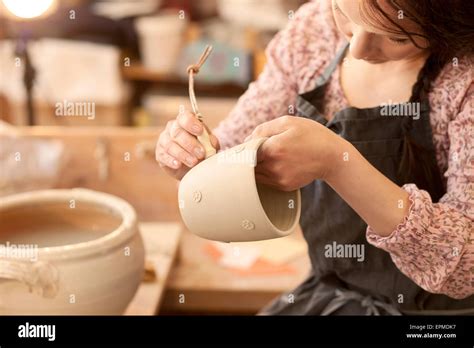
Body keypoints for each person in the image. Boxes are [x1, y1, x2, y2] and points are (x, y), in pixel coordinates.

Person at [156, 0, 474, 314]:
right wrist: (195, 157)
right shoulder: (314, 31)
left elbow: (467, 268)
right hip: (333, 297)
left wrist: (337, 163)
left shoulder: (464, 77)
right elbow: (231, 149)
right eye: (343, 13)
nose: (358, 49)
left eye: (397, 37)